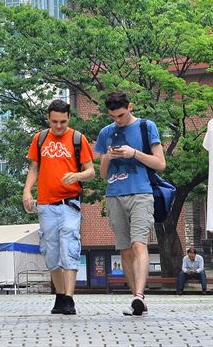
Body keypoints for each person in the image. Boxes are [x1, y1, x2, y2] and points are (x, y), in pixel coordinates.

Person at [95, 91, 166, 317]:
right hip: (114, 195)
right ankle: (136, 298)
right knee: (125, 250)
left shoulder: (147, 126)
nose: (118, 120)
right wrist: (107, 157)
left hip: (141, 193)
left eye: (122, 115)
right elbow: (103, 175)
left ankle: (139, 296)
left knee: (139, 244)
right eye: (114, 116)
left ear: (130, 107)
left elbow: (160, 163)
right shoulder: (106, 132)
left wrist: (134, 153)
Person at [23, 99, 95, 315]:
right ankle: (60, 295)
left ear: (69, 118)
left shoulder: (77, 139)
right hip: (46, 204)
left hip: (69, 204)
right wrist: (27, 191)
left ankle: (70, 299)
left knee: (70, 246)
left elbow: (90, 171)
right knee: (51, 252)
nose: (59, 126)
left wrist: (77, 175)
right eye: (55, 121)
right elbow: (34, 168)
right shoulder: (40, 138)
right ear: (48, 118)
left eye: (63, 121)